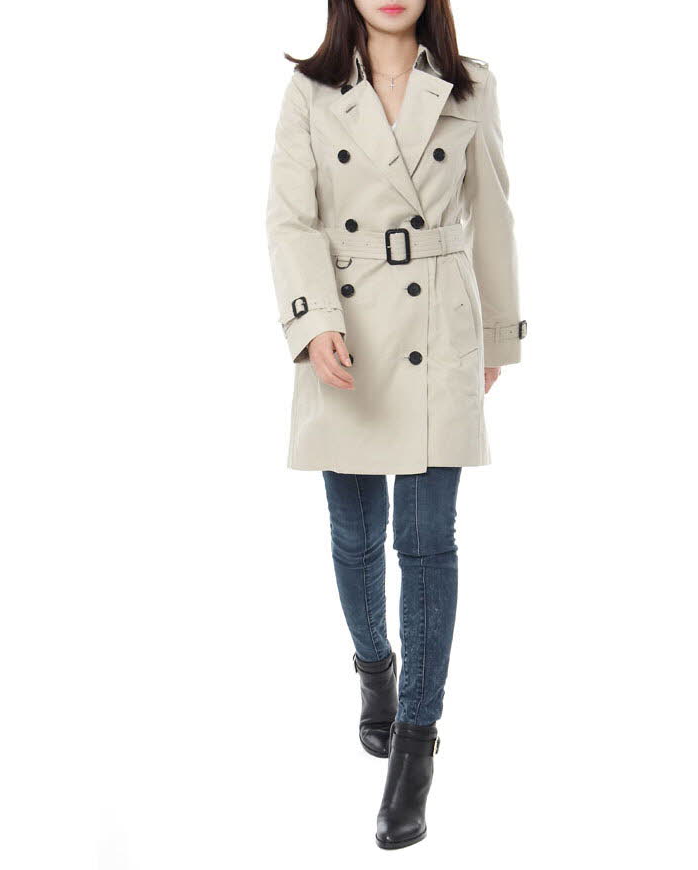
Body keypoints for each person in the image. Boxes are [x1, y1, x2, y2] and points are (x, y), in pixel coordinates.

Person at [265, 0, 526, 850]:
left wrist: (496, 337)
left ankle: (415, 743)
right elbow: (291, 217)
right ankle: (374, 665)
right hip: (345, 329)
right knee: (354, 536)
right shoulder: (311, 90)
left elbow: (493, 212)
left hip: (437, 326)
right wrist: (313, 321)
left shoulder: (469, 85)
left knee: (427, 540)